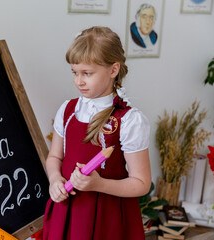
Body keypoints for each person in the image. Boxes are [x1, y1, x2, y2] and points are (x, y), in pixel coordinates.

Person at [42, 26, 151, 240]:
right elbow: (54, 157)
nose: (78, 81)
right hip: (67, 211)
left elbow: (141, 183)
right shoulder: (68, 110)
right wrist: (55, 180)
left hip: (107, 220)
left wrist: (98, 184)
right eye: (75, 72)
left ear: (113, 70)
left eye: (87, 73)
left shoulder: (129, 120)